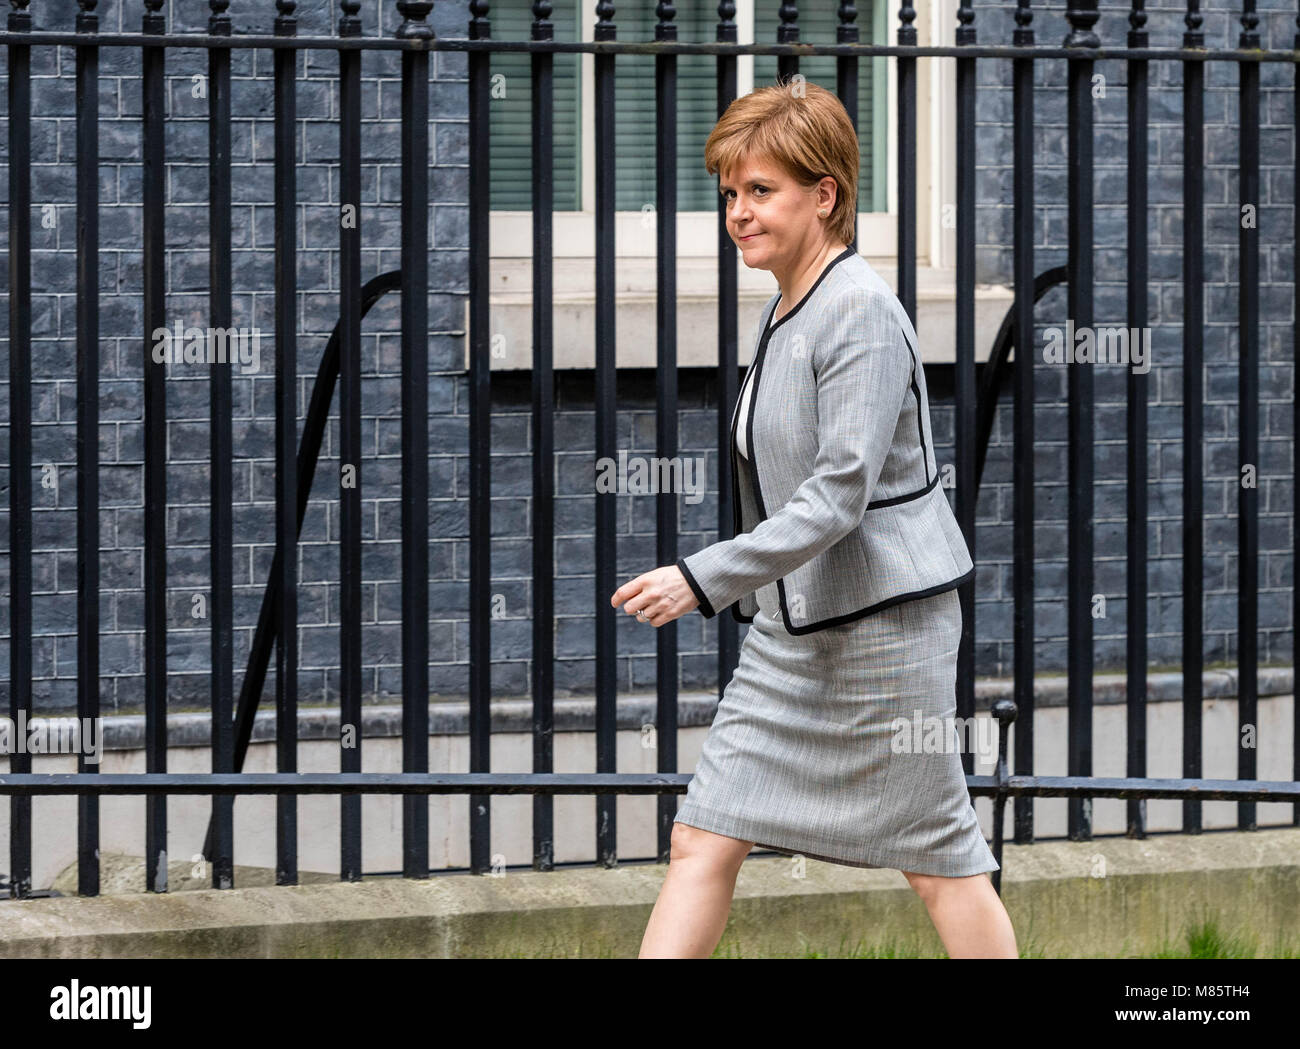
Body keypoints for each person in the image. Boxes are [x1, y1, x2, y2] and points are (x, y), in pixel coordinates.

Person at [610, 79, 1018, 959]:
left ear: (824, 195)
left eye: (761, 191)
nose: (739, 213)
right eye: (731, 193)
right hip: (790, 637)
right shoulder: (788, 305)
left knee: (939, 858)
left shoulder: (861, 311)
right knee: (702, 835)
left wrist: (701, 576)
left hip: (883, 633)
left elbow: (838, 495)